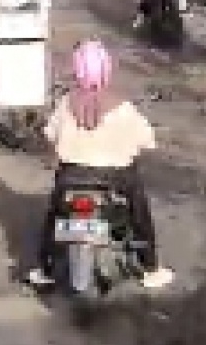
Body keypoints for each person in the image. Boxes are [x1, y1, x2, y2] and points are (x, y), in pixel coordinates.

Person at [26, 40, 173, 291]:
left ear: (77, 69)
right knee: (140, 215)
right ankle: (150, 268)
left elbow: (50, 134)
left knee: (54, 217)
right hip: (116, 179)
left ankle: (45, 270)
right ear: (107, 69)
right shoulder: (123, 107)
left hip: (71, 178)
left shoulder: (66, 103)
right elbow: (147, 139)